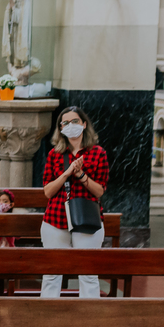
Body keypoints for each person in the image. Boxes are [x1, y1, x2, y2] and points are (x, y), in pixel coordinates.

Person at [41, 106, 109, 298]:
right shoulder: (55, 154)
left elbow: (99, 191)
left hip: (87, 219)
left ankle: (88, 326)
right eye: (65, 122)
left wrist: (80, 174)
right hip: (56, 219)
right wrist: (67, 172)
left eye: (75, 121)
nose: (70, 125)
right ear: (61, 128)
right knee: (52, 274)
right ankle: (47, 324)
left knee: (88, 274)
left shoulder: (97, 153)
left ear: (84, 124)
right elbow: (48, 191)